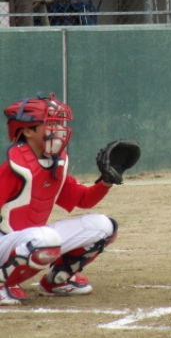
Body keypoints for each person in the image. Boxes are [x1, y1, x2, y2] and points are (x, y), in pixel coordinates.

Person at [0, 93, 119, 305]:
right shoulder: (14, 168)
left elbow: (84, 199)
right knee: (46, 239)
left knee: (103, 227)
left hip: (30, 239)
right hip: (5, 241)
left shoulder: (53, 163)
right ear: (27, 130)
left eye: (58, 124)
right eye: (50, 124)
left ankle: (56, 281)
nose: (58, 130)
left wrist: (106, 182)